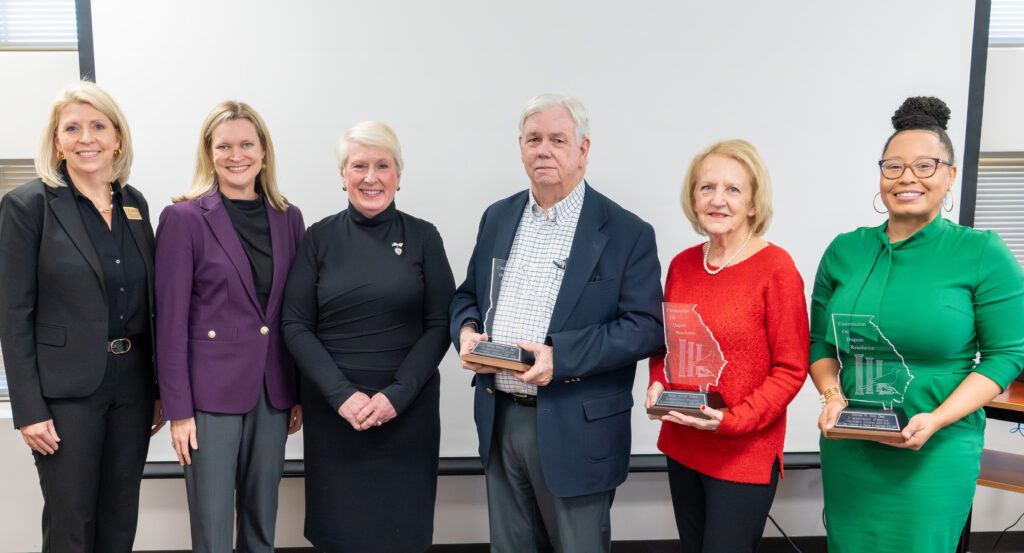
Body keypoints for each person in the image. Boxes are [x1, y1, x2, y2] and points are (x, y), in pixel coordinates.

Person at [450, 93, 664, 553]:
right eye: (534, 139)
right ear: (520, 146)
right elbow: (467, 295)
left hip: (576, 427)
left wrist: (560, 355)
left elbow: (646, 326)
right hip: (501, 418)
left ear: (583, 149)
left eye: (557, 139)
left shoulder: (627, 232)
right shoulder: (498, 216)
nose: (543, 150)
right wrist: (466, 331)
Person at [809, 96, 1024, 551]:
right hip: (852, 443)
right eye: (894, 166)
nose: (907, 176)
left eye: (926, 165)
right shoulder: (844, 251)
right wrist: (832, 397)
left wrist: (938, 418)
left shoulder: (982, 251)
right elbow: (819, 346)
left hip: (936, 445)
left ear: (951, 175)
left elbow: (1008, 355)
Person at [0, 81, 164, 553]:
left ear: (117, 138)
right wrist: (28, 408)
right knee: (72, 523)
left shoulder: (135, 204)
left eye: (98, 126)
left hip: (132, 388)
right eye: (71, 128)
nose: (85, 137)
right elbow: (14, 314)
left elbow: (149, 304)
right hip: (64, 395)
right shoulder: (28, 205)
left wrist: (157, 389)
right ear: (57, 141)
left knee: (119, 521)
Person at [281, 121, 455, 553]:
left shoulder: (424, 237)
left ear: (399, 174)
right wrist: (343, 396)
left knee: (403, 534)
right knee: (340, 536)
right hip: (335, 417)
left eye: (383, 165)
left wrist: (396, 396)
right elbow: (295, 325)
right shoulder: (317, 239)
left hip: (406, 416)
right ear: (343, 176)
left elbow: (440, 325)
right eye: (359, 166)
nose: (371, 177)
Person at [644, 139, 809, 553]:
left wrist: (731, 421)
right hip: (682, 442)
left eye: (733, 189)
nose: (718, 200)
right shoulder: (682, 264)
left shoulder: (777, 268)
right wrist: (656, 382)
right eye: (707, 188)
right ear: (694, 198)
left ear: (753, 203)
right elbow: (666, 344)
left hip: (743, 452)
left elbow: (791, 368)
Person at [155, 100, 304, 553]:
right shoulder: (183, 218)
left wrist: (295, 391)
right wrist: (178, 409)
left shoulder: (288, 216)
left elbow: (291, 315)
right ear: (209, 152)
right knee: (214, 527)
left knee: (262, 523)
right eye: (224, 146)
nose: (235, 155)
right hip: (208, 397)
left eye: (246, 144)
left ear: (263, 151)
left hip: (273, 392)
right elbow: (170, 321)